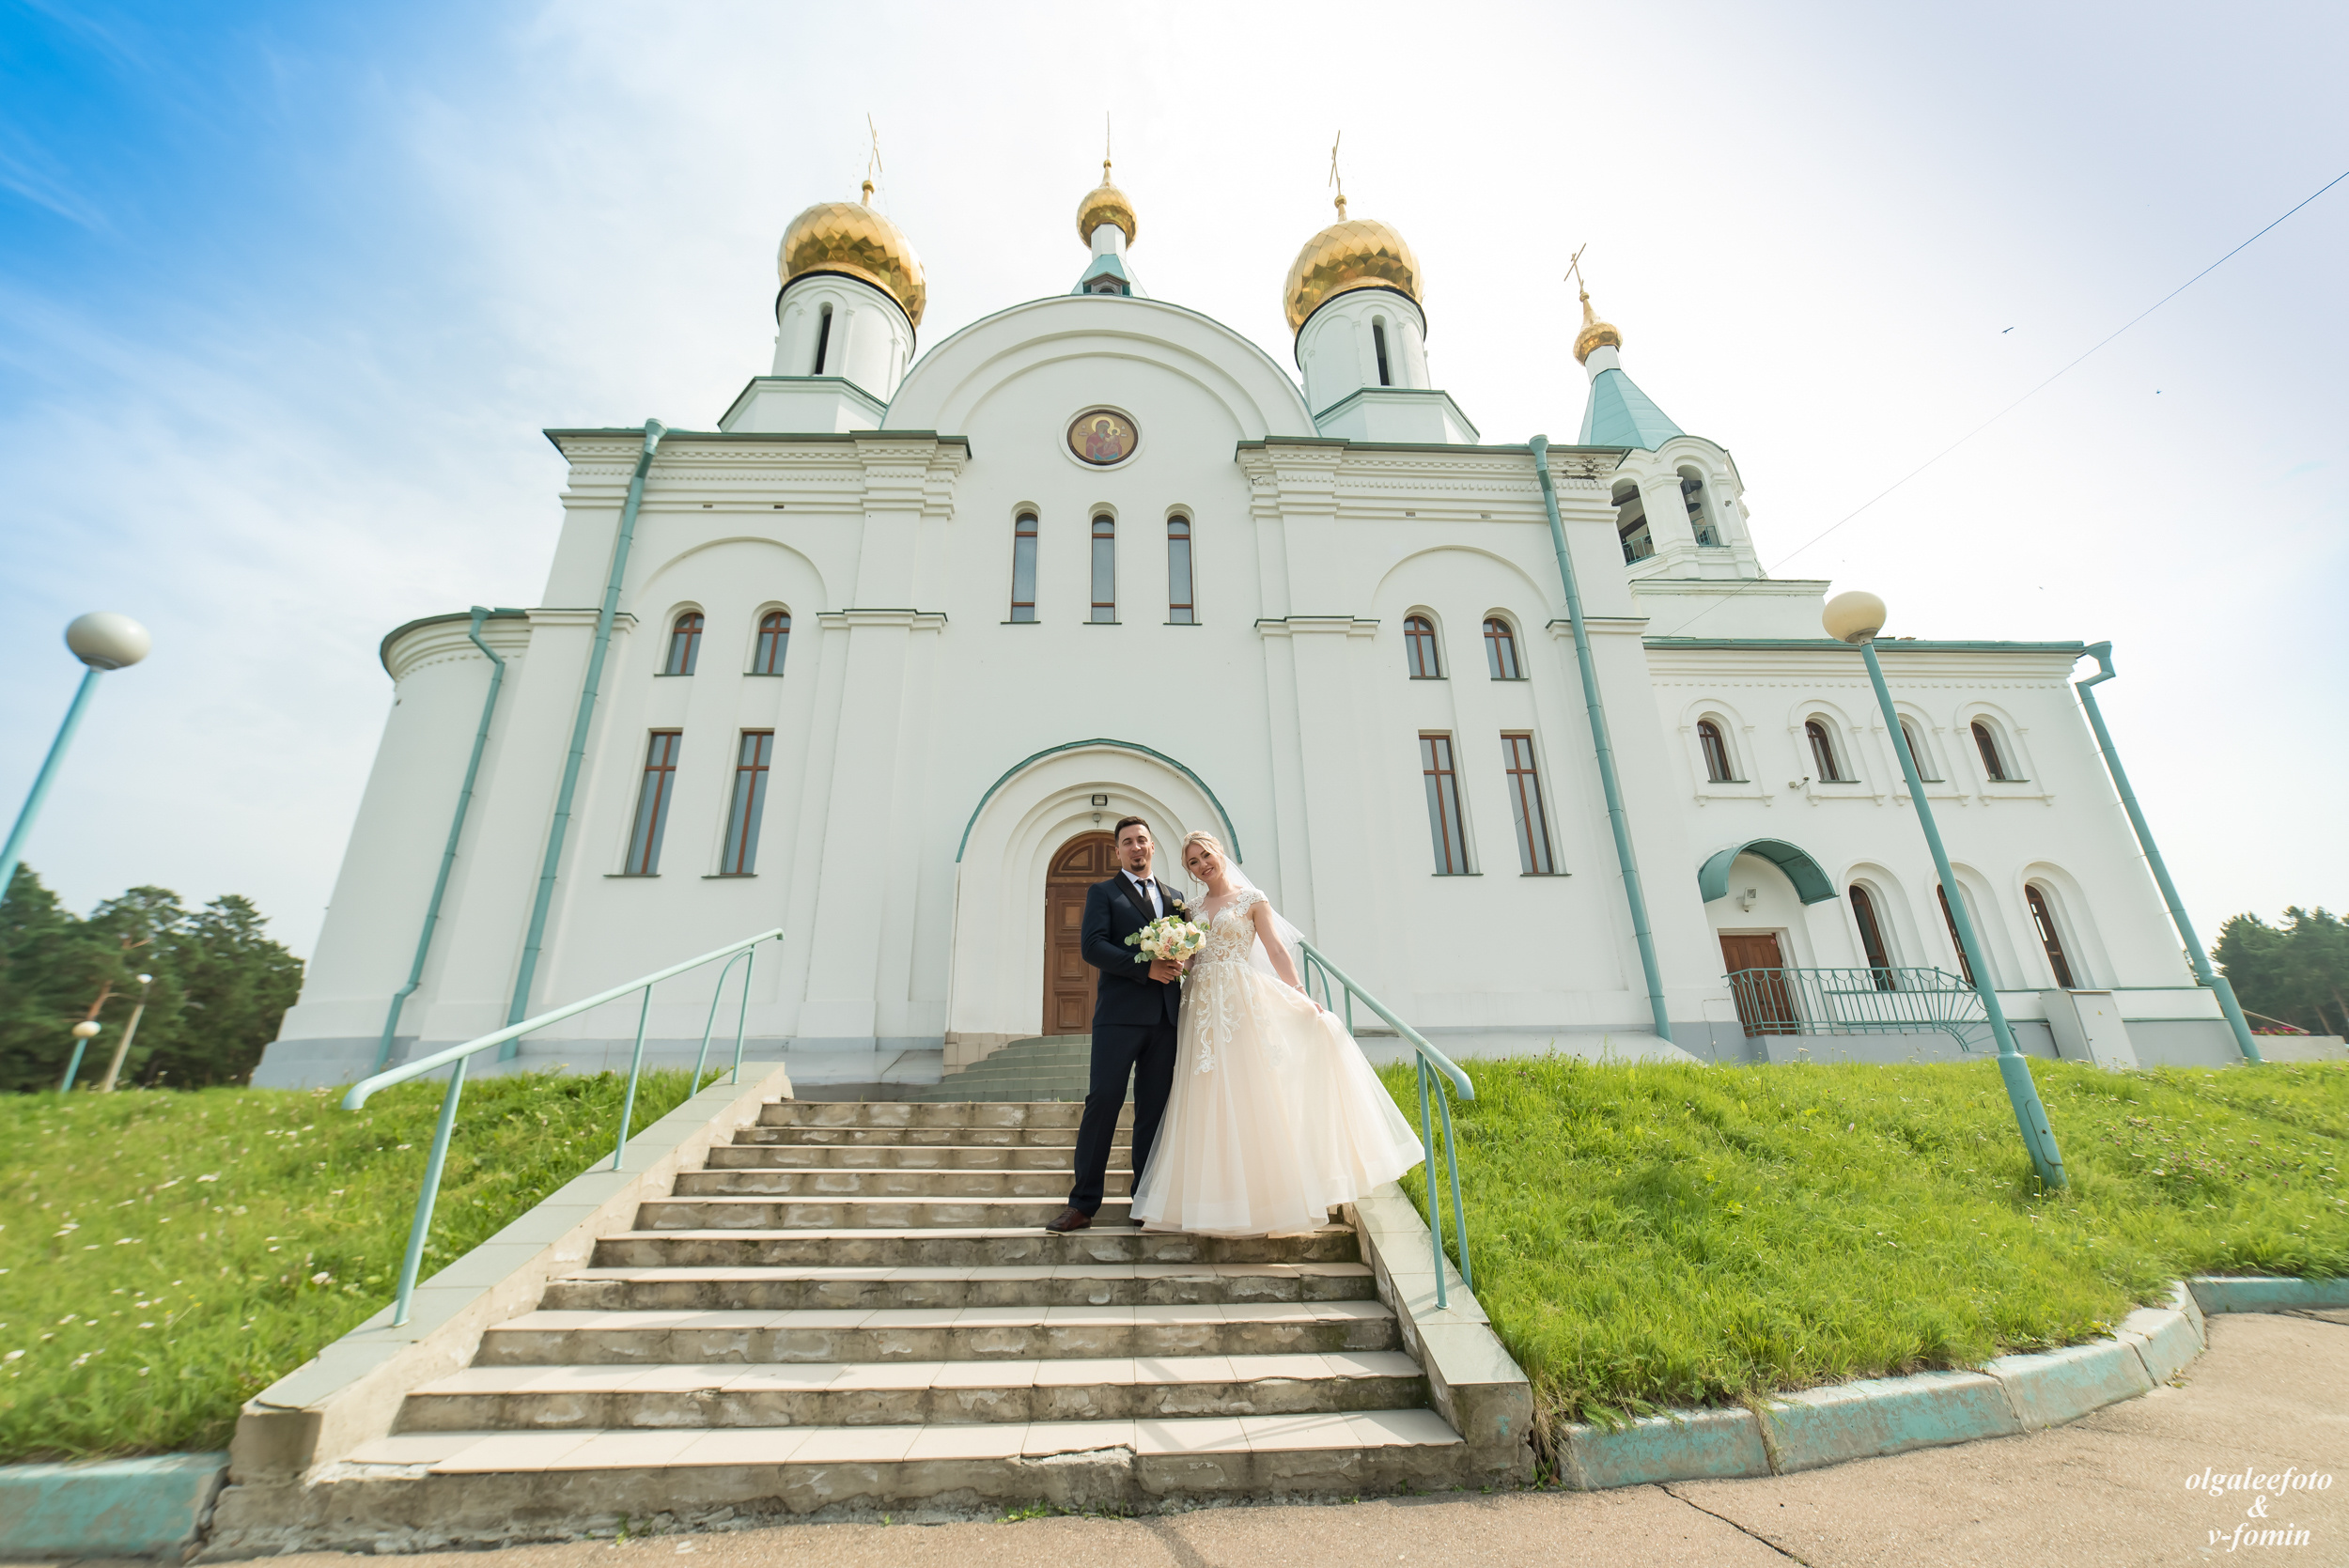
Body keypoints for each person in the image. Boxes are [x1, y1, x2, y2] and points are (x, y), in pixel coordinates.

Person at [1128, 831, 1424, 1236]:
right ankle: (1209, 1201)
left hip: (1241, 1000)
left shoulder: (1253, 900)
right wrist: (1174, 956)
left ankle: (1268, 1199)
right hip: (1200, 1006)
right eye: (1192, 863)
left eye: (1205, 856)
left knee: (1252, 1091)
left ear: (1219, 853)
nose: (1201, 865)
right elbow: (1192, 958)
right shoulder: (1190, 907)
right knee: (1204, 1095)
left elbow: (1276, 949)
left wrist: (1300, 995)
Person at [1046, 815, 1189, 1234]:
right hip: (1119, 1019)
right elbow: (1092, 947)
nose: (1136, 848)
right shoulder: (1103, 892)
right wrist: (1146, 968)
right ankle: (1083, 1204)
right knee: (1103, 1103)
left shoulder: (1175, 897)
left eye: (1142, 840)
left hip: (1165, 1020)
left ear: (1153, 846)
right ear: (1118, 851)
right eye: (1127, 842)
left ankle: (1143, 1201)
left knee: (1153, 1113)